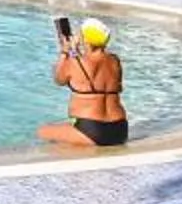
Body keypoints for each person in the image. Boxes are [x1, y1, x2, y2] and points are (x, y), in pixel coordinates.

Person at [38, 19, 128, 147]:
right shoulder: (115, 61)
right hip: (120, 130)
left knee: (43, 132)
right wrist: (73, 51)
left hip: (92, 130)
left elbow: (59, 79)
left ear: (85, 39)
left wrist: (64, 52)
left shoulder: (75, 63)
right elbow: (87, 68)